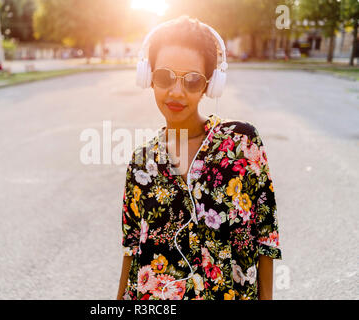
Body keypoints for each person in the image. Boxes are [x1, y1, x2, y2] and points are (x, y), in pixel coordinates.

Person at [116, 15, 282, 300]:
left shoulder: (241, 143)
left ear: (210, 85)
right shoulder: (141, 160)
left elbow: (266, 236)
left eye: (192, 80)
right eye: (164, 77)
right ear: (148, 77)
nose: (176, 92)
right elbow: (132, 248)